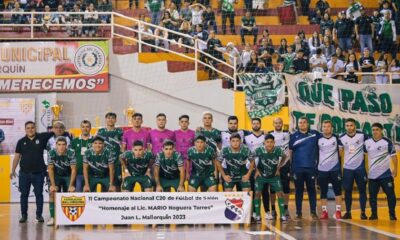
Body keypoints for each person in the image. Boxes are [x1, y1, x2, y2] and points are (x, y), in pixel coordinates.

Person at [10, 121, 56, 223]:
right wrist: (13, 170)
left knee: (39, 194)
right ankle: (24, 216)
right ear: (25, 129)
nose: (30, 129)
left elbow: (53, 132)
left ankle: (39, 216)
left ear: (35, 128)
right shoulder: (21, 141)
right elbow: (17, 157)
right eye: (28, 128)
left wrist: (56, 124)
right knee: (24, 195)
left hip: (39, 173)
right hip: (24, 174)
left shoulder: (42, 138)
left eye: (32, 127)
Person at [364, 123, 397, 220]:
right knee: (372, 196)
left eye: (377, 129)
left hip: (385, 175)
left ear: (381, 130)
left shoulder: (387, 142)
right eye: (373, 129)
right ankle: (374, 214)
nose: (374, 131)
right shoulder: (367, 142)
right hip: (372, 175)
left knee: (391, 195)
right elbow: (364, 157)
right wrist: (366, 171)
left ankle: (392, 214)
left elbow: (394, 156)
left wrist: (395, 170)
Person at [289, 117, 320, 220]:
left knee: (312, 190)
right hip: (297, 168)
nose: (302, 124)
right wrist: (291, 167)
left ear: (308, 123)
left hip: (311, 168)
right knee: (299, 191)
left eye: (304, 122)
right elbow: (290, 153)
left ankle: (313, 212)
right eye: (300, 122)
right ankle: (298, 213)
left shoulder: (315, 134)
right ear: (298, 124)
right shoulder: (293, 136)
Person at [253, 134, 288, 222]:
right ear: (264, 143)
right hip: (261, 176)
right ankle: (257, 215)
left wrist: (279, 168)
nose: (269, 144)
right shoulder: (259, 150)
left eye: (271, 142)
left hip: (273, 176)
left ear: (274, 143)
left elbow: (284, 157)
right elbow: (250, 158)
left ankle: (282, 215)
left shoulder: (278, 150)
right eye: (267, 142)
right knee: (257, 193)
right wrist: (256, 169)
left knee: (280, 193)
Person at [339, 118, 368, 219]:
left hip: (360, 168)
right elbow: (339, 153)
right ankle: (348, 212)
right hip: (347, 169)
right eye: (347, 125)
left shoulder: (363, 135)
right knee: (347, 191)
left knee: (362, 190)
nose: (349, 127)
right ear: (345, 126)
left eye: (351, 125)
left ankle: (363, 212)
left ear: (355, 125)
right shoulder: (341, 137)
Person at [46, 137, 77, 226]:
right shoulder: (51, 153)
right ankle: (53, 217)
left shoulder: (71, 152)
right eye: (59, 145)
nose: (61, 147)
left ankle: (69, 217)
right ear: (56, 145)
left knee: (71, 193)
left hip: (68, 175)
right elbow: (50, 169)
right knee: (52, 193)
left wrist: (71, 185)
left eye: (63, 145)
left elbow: (74, 170)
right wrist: (53, 185)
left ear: (66, 145)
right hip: (56, 175)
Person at [317, 120, 343, 220]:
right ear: (321, 128)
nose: (326, 128)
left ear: (331, 128)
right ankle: (324, 212)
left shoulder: (337, 138)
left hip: (335, 169)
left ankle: (338, 211)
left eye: (328, 126)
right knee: (323, 191)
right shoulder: (318, 139)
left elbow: (340, 153)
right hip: (322, 169)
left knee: (338, 190)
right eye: (324, 126)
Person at [269, 117, 291, 219]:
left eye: (280, 123)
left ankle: (285, 208)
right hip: (273, 164)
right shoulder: (269, 135)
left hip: (285, 164)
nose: (278, 124)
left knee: (286, 187)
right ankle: (273, 210)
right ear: (273, 124)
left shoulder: (287, 134)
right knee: (273, 188)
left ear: (282, 124)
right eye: (276, 123)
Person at [96, 112, 123, 191]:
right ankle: (103, 202)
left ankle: (118, 202)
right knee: (104, 182)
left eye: (112, 118)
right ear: (106, 120)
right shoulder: (100, 131)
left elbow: (124, 145)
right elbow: (95, 145)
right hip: (104, 162)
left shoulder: (120, 131)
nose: (110, 120)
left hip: (116, 162)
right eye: (108, 118)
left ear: (115, 120)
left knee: (118, 183)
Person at [70, 120, 93, 192]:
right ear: (80, 128)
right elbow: (71, 157)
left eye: (87, 127)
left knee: (92, 195)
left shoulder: (95, 140)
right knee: (78, 193)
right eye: (83, 127)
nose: (85, 129)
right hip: (78, 172)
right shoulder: (74, 141)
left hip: (92, 173)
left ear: (90, 128)